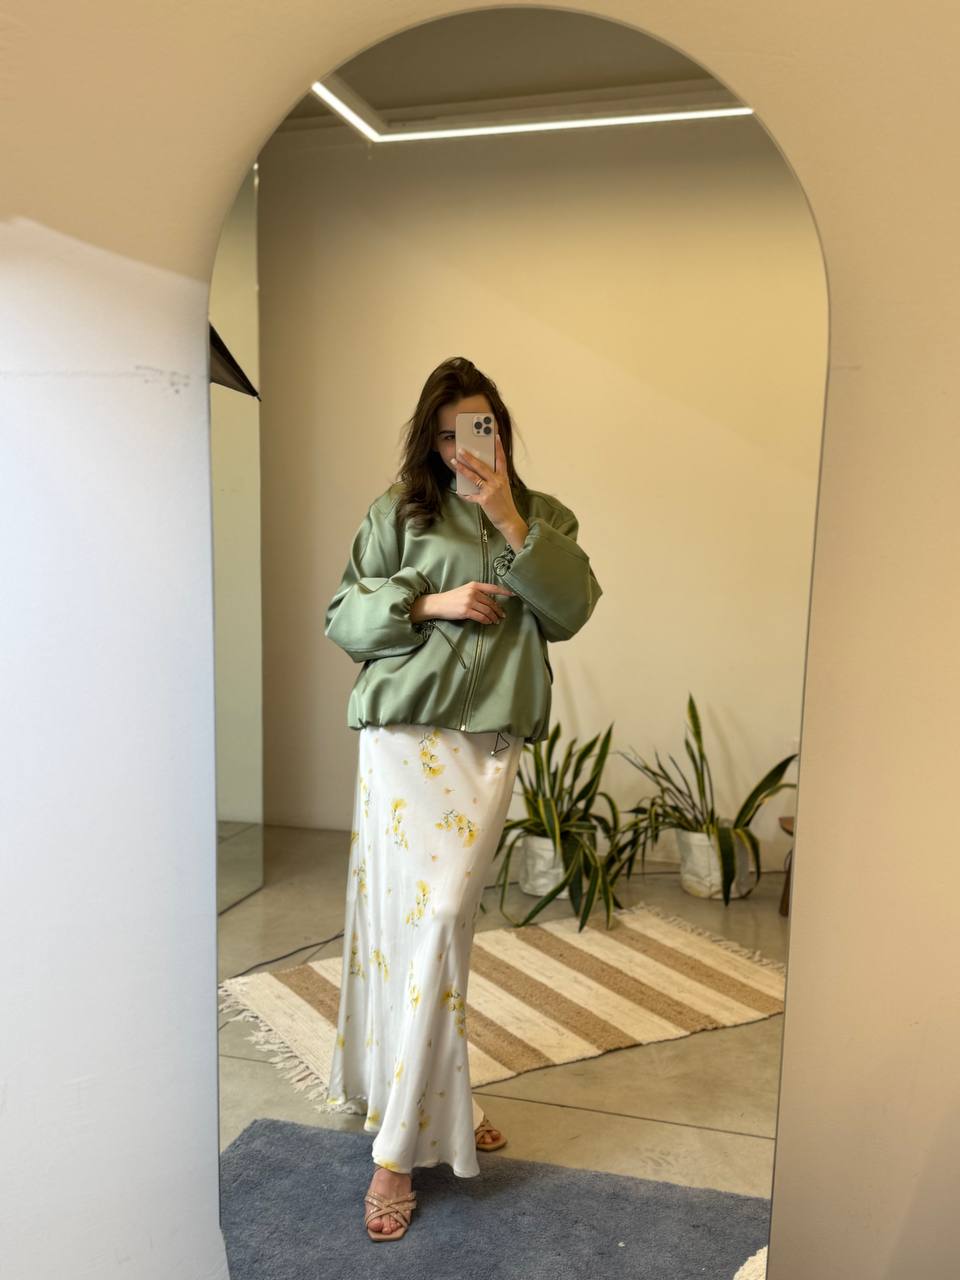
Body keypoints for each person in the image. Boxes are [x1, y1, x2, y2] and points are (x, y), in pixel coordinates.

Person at [321, 355, 602, 1240]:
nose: (460, 450)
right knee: (424, 926)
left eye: (476, 430)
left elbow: (570, 611)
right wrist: (432, 601)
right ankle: (398, 1153)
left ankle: (444, 1100)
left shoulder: (544, 517)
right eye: (445, 435)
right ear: (428, 439)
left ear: (501, 432)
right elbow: (343, 617)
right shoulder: (397, 513)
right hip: (401, 736)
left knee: (446, 923)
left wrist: (510, 517)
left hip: (487, 745)